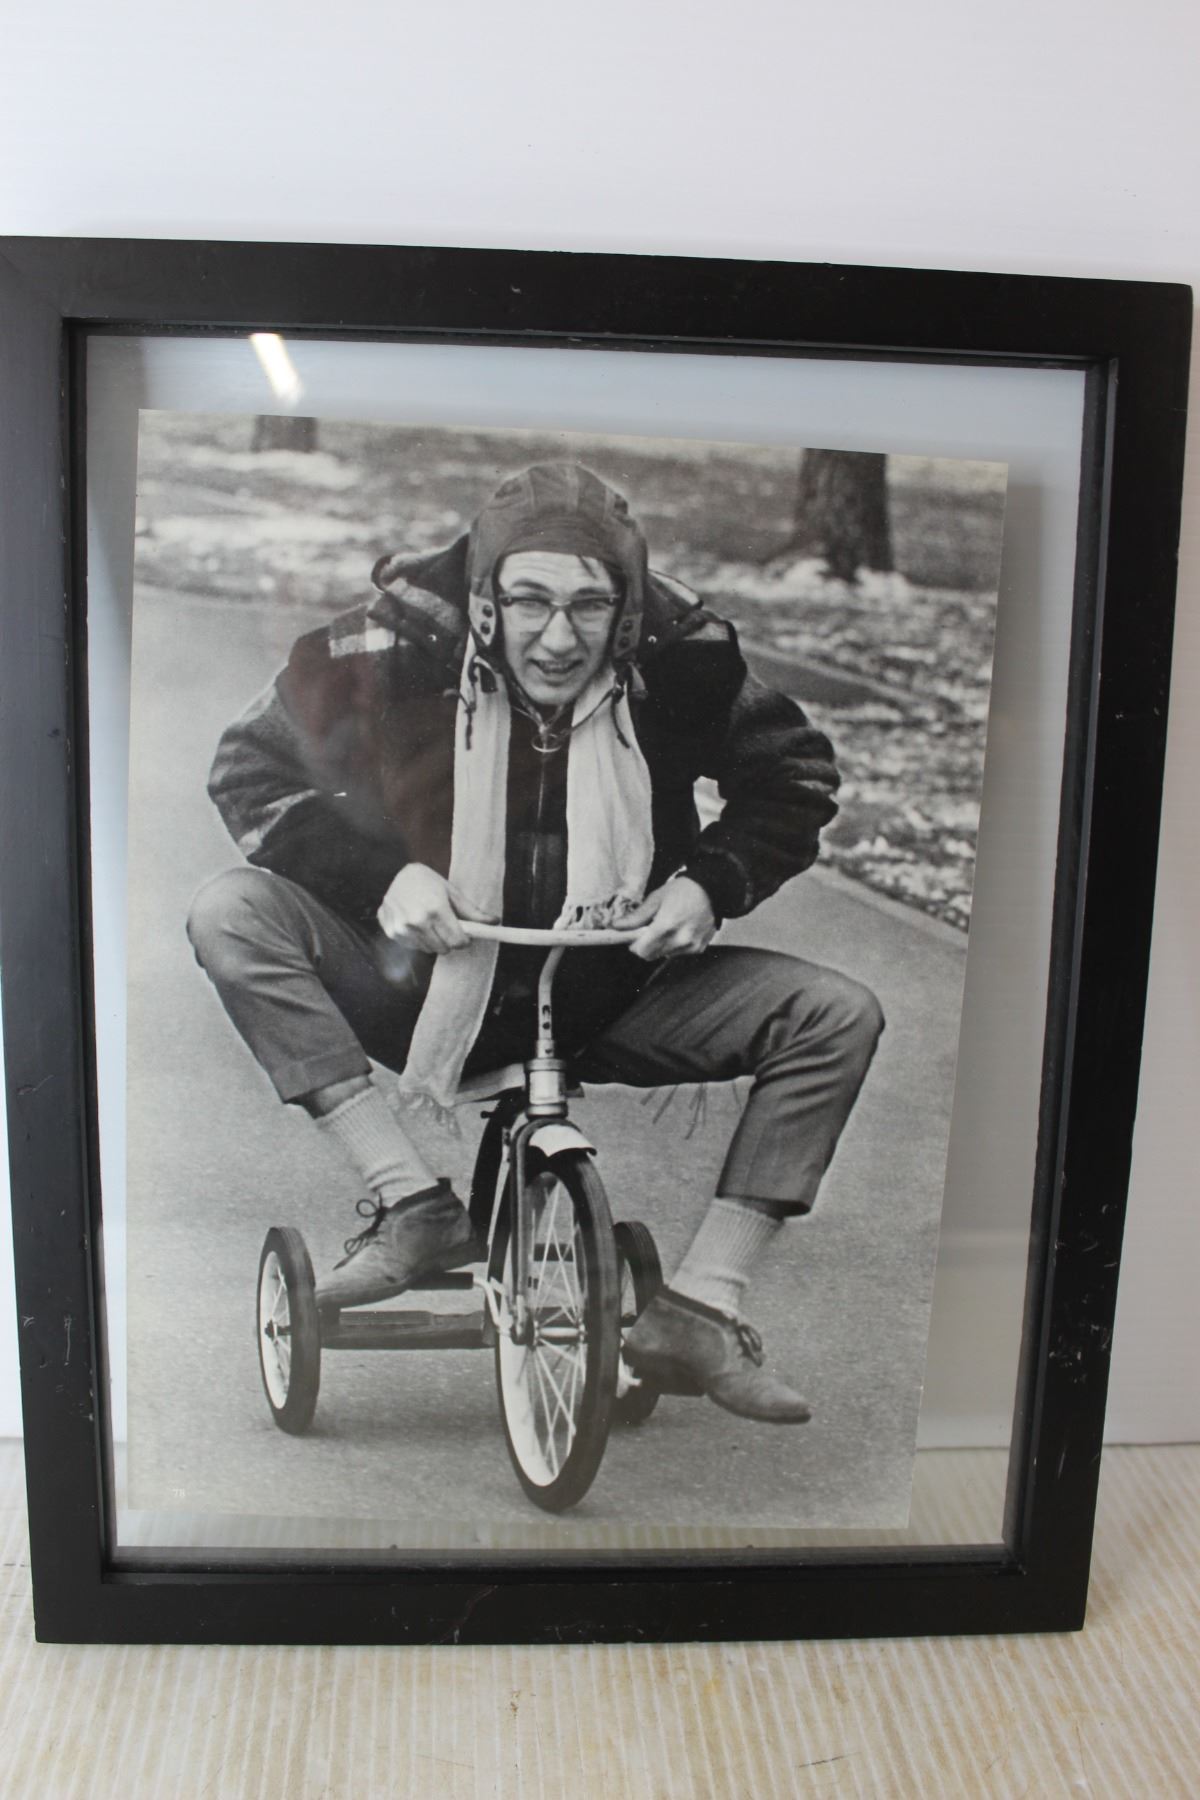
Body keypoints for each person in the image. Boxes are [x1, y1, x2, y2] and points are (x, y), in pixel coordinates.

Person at [187, 460, 883, 1425]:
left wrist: (708, 883)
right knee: (231, 911)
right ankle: (413, 1203)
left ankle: (702, 1307)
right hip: (420, 980)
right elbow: (251, 770)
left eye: (591, 607)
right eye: (530, 602)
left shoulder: (683, 653)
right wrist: (383, 880)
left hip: (613, 987)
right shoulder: (386, 643)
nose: (559, 640)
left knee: (835, 1016)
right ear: (484, 598)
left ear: (627, 608)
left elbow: (794, 777)